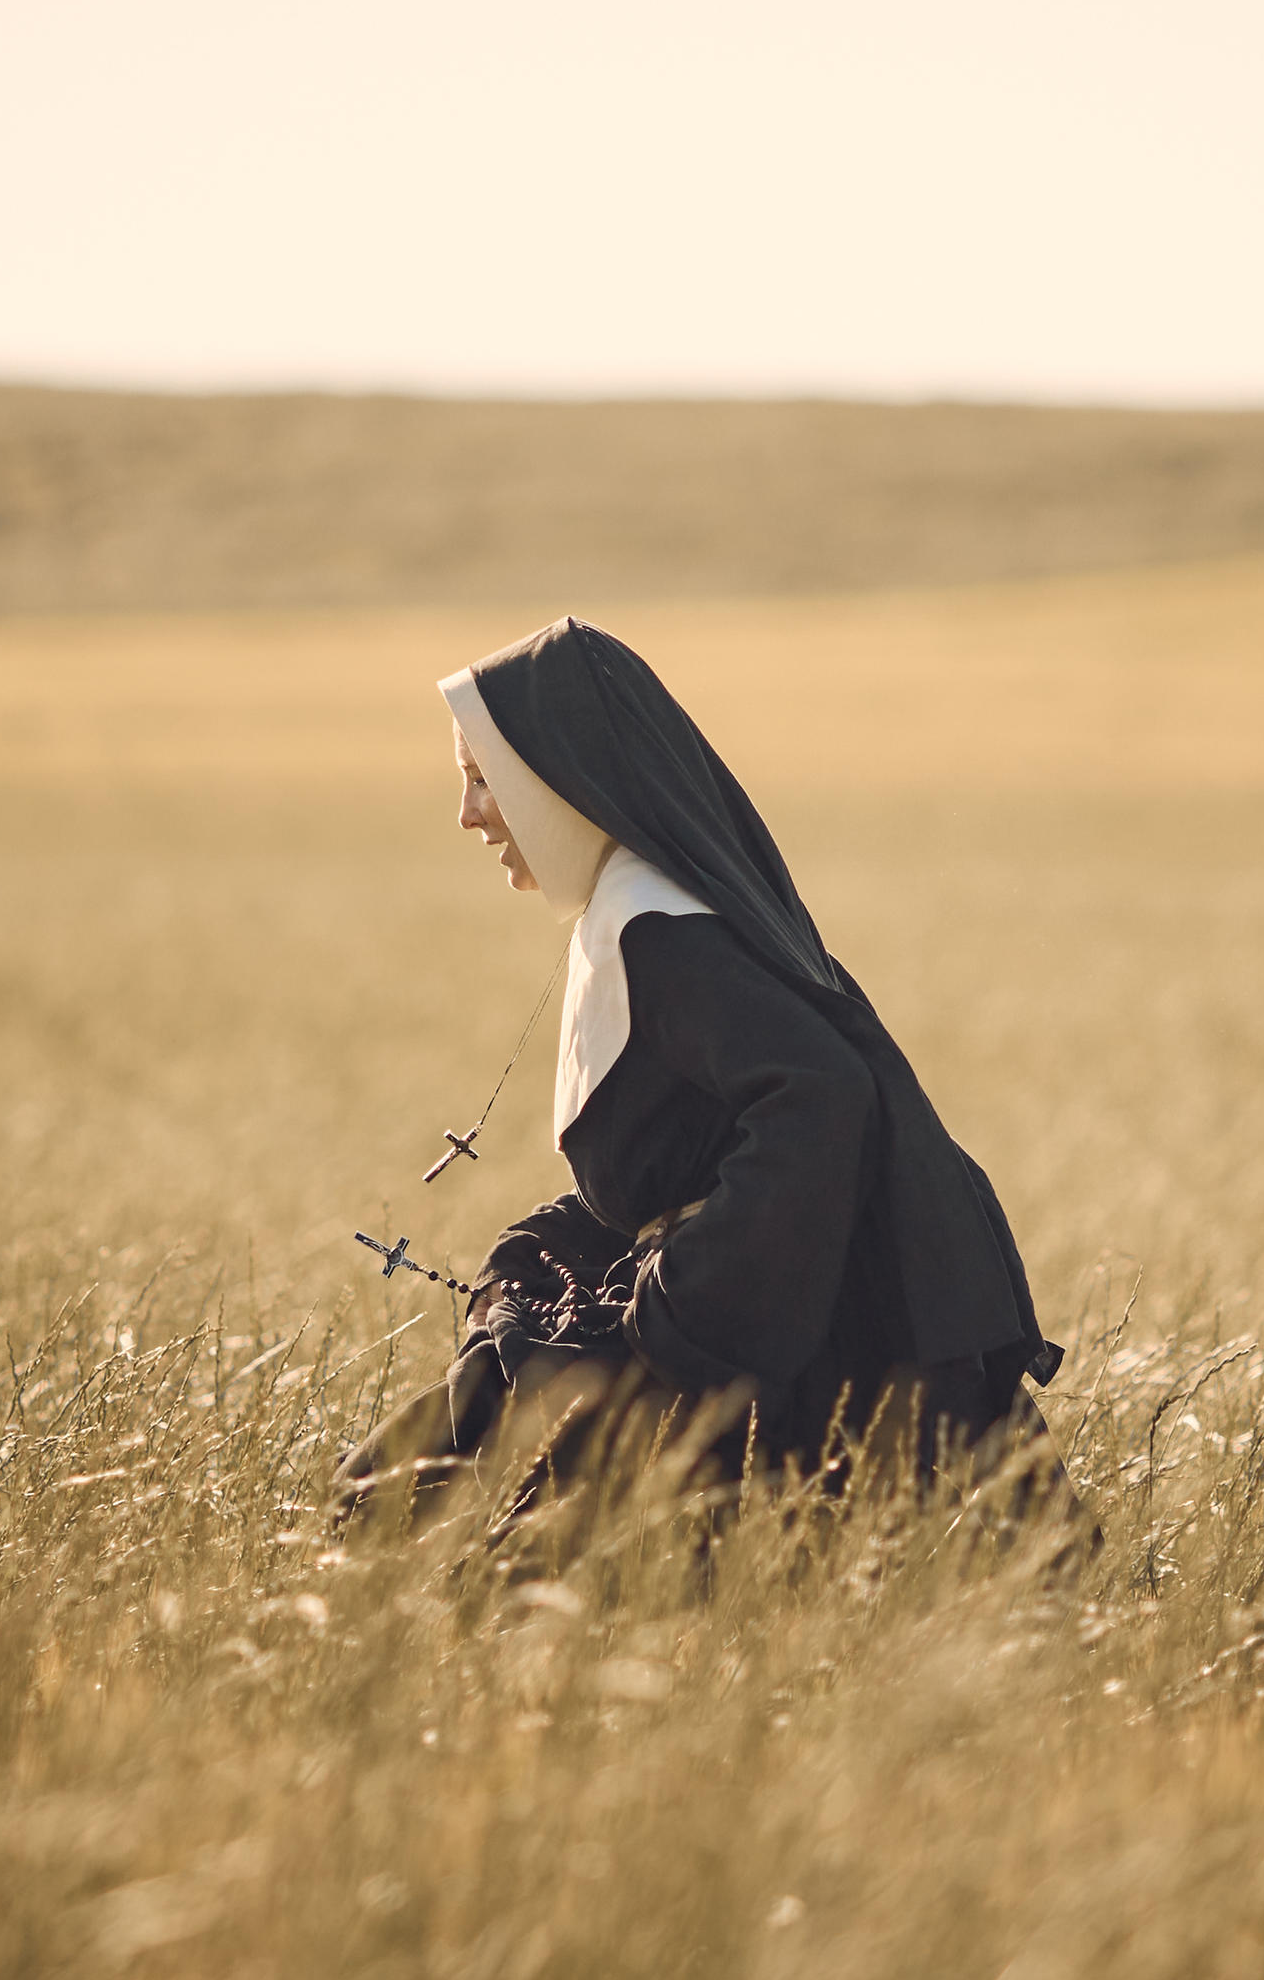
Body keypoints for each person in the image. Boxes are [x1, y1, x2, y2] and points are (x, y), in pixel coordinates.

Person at [339, 616, 1063, 1534]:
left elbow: (823, 1092)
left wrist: (690, 1304)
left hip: (790, 1371)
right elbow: (701, 1144)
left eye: (484, 779)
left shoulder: (662, 932)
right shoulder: (637, 912)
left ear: (565, 776)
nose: (468, 814)